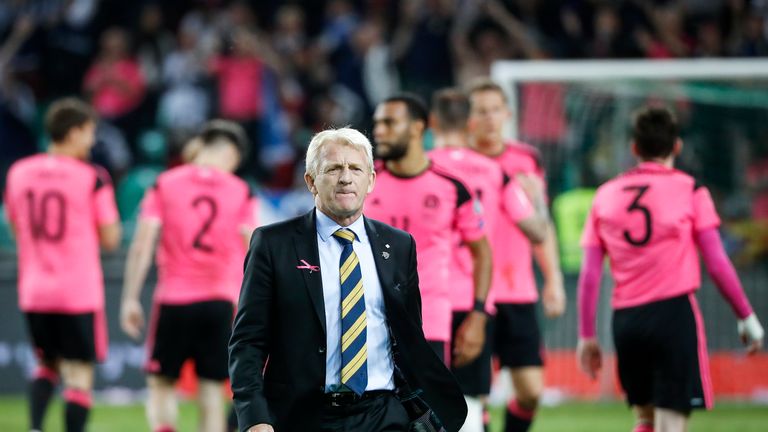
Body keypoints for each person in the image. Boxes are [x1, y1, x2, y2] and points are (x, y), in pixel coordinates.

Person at [228, 127, 468, 432]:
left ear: (370, 181)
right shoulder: (273, 243)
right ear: (311, 181)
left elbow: (409, 336)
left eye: (355, 168)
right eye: (333, 168)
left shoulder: (399, 245)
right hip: (303, 415)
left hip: (383, 413)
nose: (345, 178)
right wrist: (254, 417)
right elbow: (248, 341)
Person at [576, 106, 765, 432]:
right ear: (677, 146)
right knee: (671, 424)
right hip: (673, 315)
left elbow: (590, 275)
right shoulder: (690, 190)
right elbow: (718, 263)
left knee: (645, 419)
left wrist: (586, 335)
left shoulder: (604, 195)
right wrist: (746, 316)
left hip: (626, 320)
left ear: (634, 148)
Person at [120, 120, 259, 432]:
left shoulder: (165, 183)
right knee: (211, 392)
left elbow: (143, 243)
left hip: (175, 298)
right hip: (221, 301)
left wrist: (130, 298)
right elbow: (255, 249)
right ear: (233, 153)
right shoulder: (241, 190)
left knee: (160, 383)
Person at [428, 88, 548, 432]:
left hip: (425, 300)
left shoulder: (417, 170)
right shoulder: (495, 172)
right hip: (474, 300)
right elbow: (537, 231)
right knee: (469, 400)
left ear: (431, 123)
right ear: (470, 123)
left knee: (419, 400)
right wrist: (537, 200)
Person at [3, 98, 122, 432]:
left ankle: (36, 427)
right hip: (77, 291)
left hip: (35, 289)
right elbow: (111, 238)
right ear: (73, 133)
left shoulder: (18, 172)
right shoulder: (92, 176)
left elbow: (15, 228)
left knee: (46, 363)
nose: (92, 140)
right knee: (80, 373)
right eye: (89, 132)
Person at [467, 78, 566, 432]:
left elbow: (543, 224)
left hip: (518, 289)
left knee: (531, 392)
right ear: (469, 119)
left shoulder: (526, 159)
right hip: (471, 291)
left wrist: (553, 279)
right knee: (473, 396)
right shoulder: (458, 162)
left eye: (495, 110)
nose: (490, 118)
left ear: (508, 114)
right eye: (481, 111)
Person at [366, 93, 493, 370]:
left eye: (389, 123)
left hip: (430, 320)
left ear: (418, 127)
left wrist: (479, 314)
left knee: (429, 411)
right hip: (367, 319)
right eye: (377, 123)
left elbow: (482, 252)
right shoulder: (361, 183)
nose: (379, 131)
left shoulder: (452, 187)